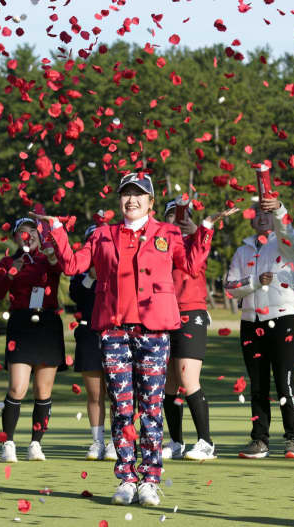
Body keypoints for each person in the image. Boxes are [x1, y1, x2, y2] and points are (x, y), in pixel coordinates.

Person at [32, 172, 237, 507]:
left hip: (154, 331)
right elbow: (71, 265)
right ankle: (127, 477)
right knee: (123, 406)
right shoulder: (102, 235)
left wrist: (206, 229)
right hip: (113, 332)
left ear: (151, 202)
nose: (132, 200)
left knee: (152, 406)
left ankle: (150, 480)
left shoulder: (168, 232)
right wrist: (57, 228)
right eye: (126, 194)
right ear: (119, 200)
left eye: (139, 195)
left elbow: (193, 264)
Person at [225, 194, 294, 459]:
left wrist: (280, 208)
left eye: (266, 212)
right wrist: (256, 282)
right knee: (258, 385)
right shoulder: (242, 250)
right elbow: (230, 287)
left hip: (282, 320)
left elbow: (288, 232)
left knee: (285, 382)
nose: (261, 216)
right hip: (250, 323)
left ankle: (293, 440)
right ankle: (260, 441)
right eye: (257, 212)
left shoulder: (285, 243)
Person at [0, 217, 66, 463]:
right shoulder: (8, 262)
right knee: (17, 388)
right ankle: (9, 443)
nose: (28, 235)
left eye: (33, 231)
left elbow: (62, 268)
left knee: (43, 391)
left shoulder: (48, 259)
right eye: (22, 232)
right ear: (15, 237)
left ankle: (35, 444)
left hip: (47, 324)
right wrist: (14, 269)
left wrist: (52, 254)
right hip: (21, 324)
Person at [161, 199, 216, 461]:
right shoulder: (160, 245)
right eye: (171, 216)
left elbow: (194, 264)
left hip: (190, 313)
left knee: (187, 379)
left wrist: (199, 230)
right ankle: (175, 442)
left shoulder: (196, 241)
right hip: (163, 315)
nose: (176, 220)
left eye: (181, 215)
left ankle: (206, 442)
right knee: (169, 384)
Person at [69, 224, 117, 461]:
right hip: (89, 335)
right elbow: (76, 296)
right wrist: (90, 276)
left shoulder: (119, 266)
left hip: (115, 334)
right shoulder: (81, 272)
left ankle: (116, 441)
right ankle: (97, 441)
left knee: (117, 393)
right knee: (94, 393)